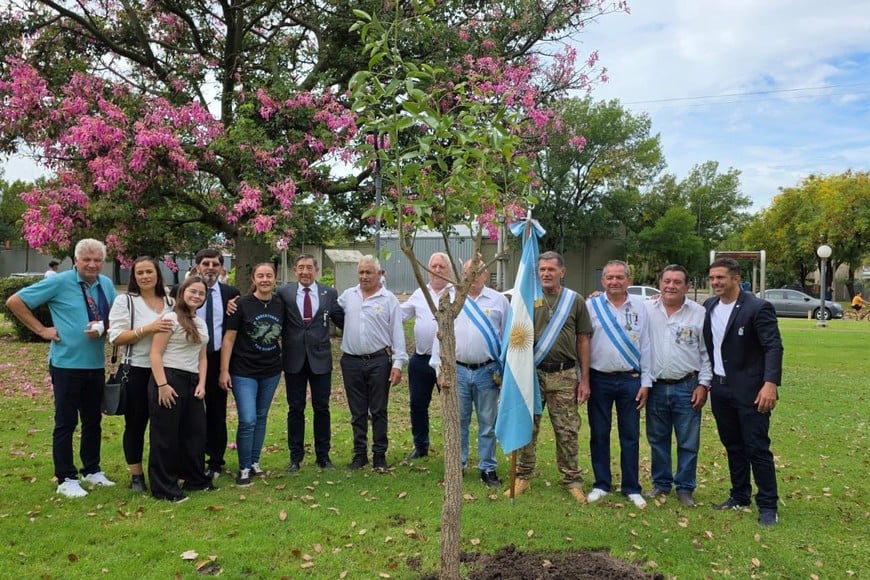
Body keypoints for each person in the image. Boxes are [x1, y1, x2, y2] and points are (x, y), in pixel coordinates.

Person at [6, 239, 117, 498]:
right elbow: (15, 301)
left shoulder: (106, 284)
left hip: (95, 363)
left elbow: (115, 316)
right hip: (66, 364)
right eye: (86, 259)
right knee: (66, 421)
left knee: (93, 421)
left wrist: (105, 326)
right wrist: (42, 329)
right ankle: (66, 477)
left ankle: (92, 470)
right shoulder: (60, 281)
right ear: (75, 260)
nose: (92, 264)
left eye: (97, 260)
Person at [704, 257, 784, 526]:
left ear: (736, 278)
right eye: (712, 278)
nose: (715, 282)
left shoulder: (758, 308)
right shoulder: (710, 306)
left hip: (751, 391)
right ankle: (739, 495)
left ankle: (768, 505)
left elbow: (773, 347)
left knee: (757, 447)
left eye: (721, 278)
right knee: (733, 446)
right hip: (721, 389)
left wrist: (770, 384)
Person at [509, 251, 592, 503]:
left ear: (562, 272)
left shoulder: (574, 301)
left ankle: (571, 479)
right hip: (532, 374)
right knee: (528, 427)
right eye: (542, 269)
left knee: (567, 431)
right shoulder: (527, 299)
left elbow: (583, 339)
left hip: (564, 375)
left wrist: (585, 379)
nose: (545, 273)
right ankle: (523, 475)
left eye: (551, 270)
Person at [431, 258, 509, 487]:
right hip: (458, 371)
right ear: (461, 275)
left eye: (477, 272)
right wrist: (438, 367)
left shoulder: (499, 301)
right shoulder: (451, 299)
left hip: (487, 370)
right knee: (459, 421)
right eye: (467, 272)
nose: (472, 276)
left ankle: (487, 468)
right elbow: (441, 334)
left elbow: (506, 336)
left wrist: (505, 370)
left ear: (486, 275)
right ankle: (458, 466)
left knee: (487, 422)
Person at [643, 264, 712, 507]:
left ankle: (685, 488)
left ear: (687, 286)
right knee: (657, 439)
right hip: (656, 387)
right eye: (667, 281)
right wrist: (595, 295)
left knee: (688, 441)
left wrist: (704, 384)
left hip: (687, 386)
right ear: (659, 283)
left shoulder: (699, 313)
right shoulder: (646, 309)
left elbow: (706, 353)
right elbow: (617, 296)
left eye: (677, 282)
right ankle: (661, 484)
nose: (671, 286)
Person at [586, 260, 652, 509]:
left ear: (629, 280)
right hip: (599, 379)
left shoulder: (642, 308)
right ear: (603, 281)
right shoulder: (590, 306)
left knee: (630, 435)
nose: (615, 282)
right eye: (610, 278)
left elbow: (646, 346)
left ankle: (632, 487)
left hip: (630, 380)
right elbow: (583, 343)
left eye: (619, 277)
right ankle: (601, 484)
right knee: (599, 433)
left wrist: (646, 382)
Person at [107, 256, 175, 492]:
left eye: (149, 272)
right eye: (140, 273)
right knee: (136, 424)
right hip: (135, 370)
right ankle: (136, 476)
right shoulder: (125, 301)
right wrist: (149, 328)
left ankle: (164, 472)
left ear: (157, 274)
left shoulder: (170, 301)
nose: (145, 276)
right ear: (134, 277)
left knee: (164, 425)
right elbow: (115, 337)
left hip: (165, 370)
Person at [338, 255, 408, 472]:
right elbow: (331, 310)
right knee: (357, 411)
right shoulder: (348, 296)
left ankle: (379, 454)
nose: (364, 276)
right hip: (351, 361)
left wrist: (397, 364)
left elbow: (397, 333)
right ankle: (359, 455)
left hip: (379, 361)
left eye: (369, 272)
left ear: (380, 274)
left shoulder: (389, 300)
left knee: (378, 410)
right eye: (361, 272)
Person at [276, 254, 344, 472]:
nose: (305, 272)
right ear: (295, 271)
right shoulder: (284, 292)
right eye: (300, 267)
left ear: (316, 270)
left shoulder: (329, 293)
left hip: (320, 359)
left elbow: (342, 320)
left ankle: (323, 456)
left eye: (309, 267)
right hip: (294, 359)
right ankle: (295, 457)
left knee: (321, 408)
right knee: (295, 409)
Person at [219, 263, 285, 485]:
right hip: (243, 371)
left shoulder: (280, 303)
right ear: (254, 279)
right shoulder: (241, 304)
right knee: (247, 419)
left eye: (269, 275)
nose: (265, 279)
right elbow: (229, 338)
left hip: (271, 370)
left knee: (261, 416)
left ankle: (255, 462)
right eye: (260, 276)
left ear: (275, 278)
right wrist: (224, 370)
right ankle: (244, 467)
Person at [148, 275, 211, 502]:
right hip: (169, 378)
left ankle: (195, 479)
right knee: (166, 435)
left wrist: (202, 384)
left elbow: (202, 357)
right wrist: (162, 385)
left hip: (193, 381)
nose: (196, 296)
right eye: (192, 291)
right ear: (182, 292)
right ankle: (164, 488)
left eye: (201, 293)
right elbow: (155, 353)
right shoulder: (170, 319)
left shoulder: (200, 322)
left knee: (195, 433)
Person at [181, 249, 240, 479]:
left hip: (216, 358)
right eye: (205, 263)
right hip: (188, 359)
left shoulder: (230, 294)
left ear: (221, 268)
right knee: (190, 412)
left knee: (216, 412)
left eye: (215, 264)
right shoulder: (186, 292)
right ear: (197, 267)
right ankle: (190, 457)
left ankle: (215, 461)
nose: (210, 267)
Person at [400, 252, 453, 460]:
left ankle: (453, 446)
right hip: (421, 360)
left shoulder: (455, 293)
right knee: (417, 404)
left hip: (448, 362)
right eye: (433, 266)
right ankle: (420, 445)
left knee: (450, 406)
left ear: (448, 269)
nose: (437, 270)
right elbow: (401, 315)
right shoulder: (421, 292)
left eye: (441, 266)